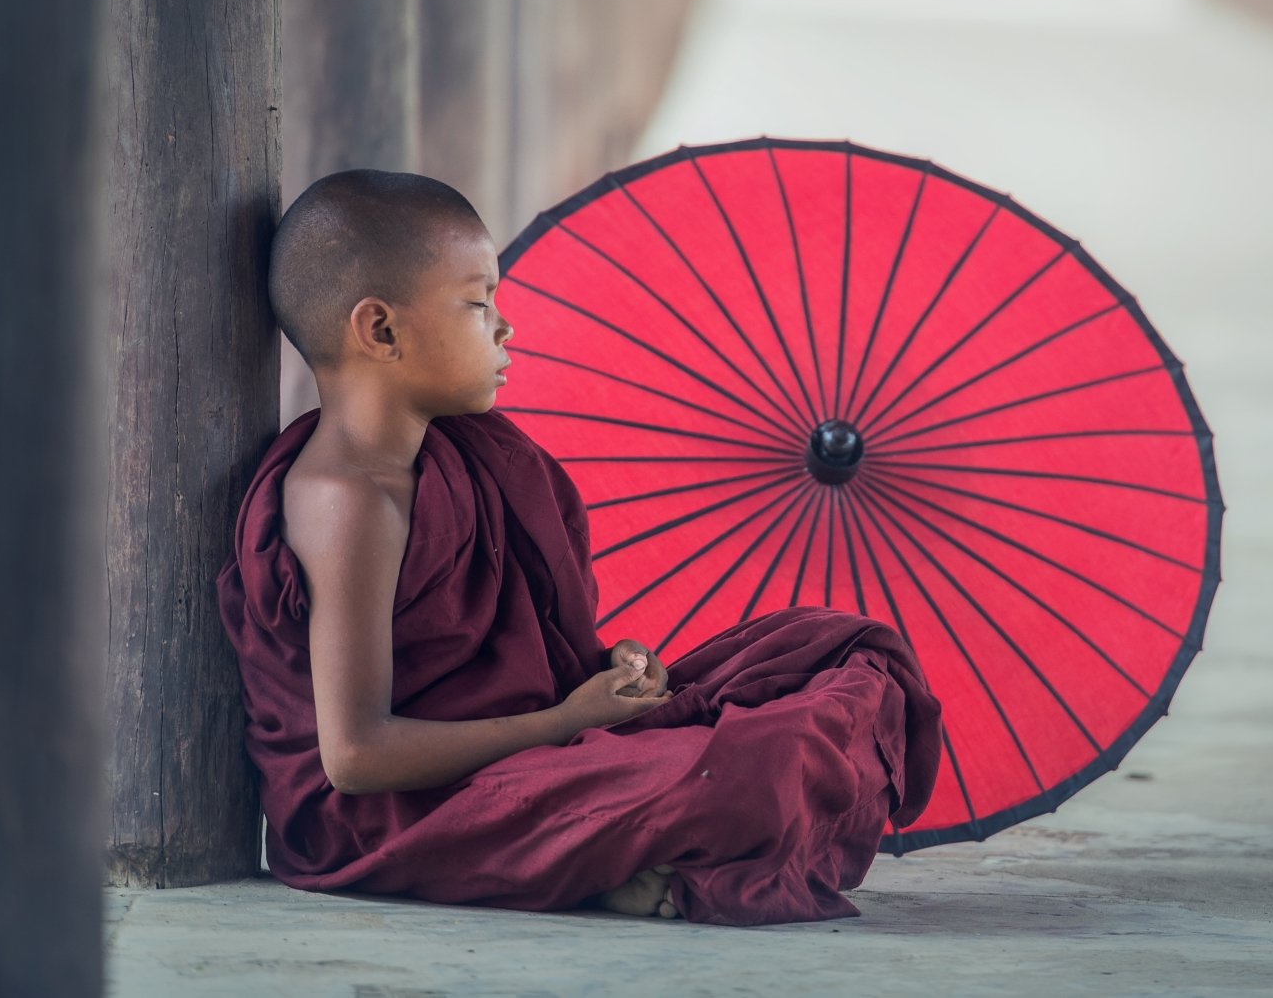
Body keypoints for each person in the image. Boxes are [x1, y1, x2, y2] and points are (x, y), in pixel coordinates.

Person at [214, 169, 942, 926]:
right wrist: (567, 719)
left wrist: (608, 676)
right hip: (398, 817)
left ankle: (613, 855)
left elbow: (523, 658)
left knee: (841, 650)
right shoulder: (347, 500)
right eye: (477, 303)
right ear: (381, 330)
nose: (504, 327)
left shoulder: (460, 455)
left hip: (517, 752)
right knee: (766, 762)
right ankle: (610, 862)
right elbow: (356, 758)